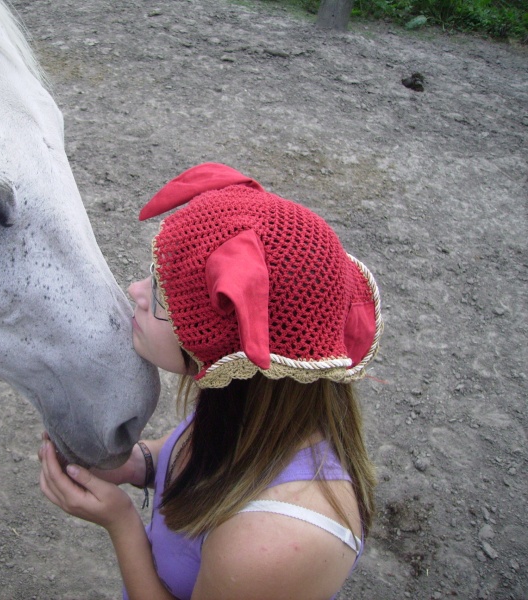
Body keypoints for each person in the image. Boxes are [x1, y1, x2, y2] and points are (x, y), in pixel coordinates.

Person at [38, 163, 382, 599]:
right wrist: (140, 463)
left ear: (231, 341)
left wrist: (121, 523)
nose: (136, 291)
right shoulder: (252, 410)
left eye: (163, 294)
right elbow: (201, 442)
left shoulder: (277, 538)